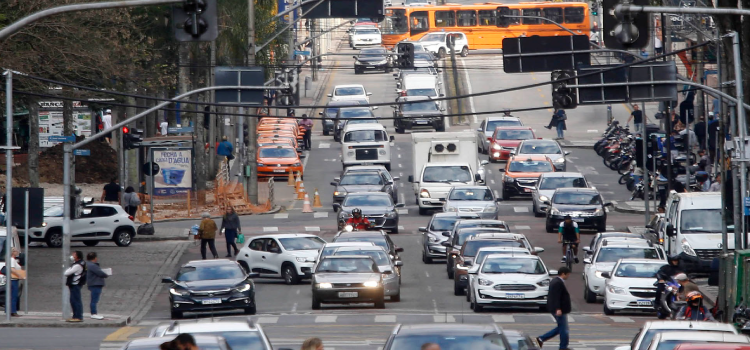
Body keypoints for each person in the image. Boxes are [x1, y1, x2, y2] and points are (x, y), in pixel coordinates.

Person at [537, 266, 572, 350]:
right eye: (568, 274)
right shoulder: (557, 283)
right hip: (559, 310)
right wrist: (558, 308)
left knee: (562, 328)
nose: (568, 276)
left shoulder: (556, 281)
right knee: (563, 329)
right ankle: (563, 347)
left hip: (560, 309)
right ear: (563, 274)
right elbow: (556, 297)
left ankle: (541, 339)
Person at [63, 251, 86, 322]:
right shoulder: (78, 264)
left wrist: (70, 268)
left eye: (74, 254)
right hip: (75, 284)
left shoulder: (77, 265)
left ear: (77, 256)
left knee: (75, 301)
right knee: (73, 301)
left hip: (75, 284)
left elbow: (66, 273)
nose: (72, 256)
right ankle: (75, 316)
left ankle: (78, 316)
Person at [86, 252, 108, 320]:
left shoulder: (88, 265)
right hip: (95, 284)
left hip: (92, 283)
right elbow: (101, 273)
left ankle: (94, 313)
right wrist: (106, 274)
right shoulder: (92, 265)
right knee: (94, 300)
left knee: (94, 299)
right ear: (95, 258)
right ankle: (94, 313)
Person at [5, 248, 25, 317]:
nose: (17, 252)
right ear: (13, 252)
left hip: (12, 279)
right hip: (13, 279)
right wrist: (19, 275)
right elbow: (12, 269)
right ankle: (13, 311)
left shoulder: (12, 260)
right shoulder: (12, 260)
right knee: (14, 295)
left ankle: (10, 310)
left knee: (11, 295)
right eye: (16, 251)